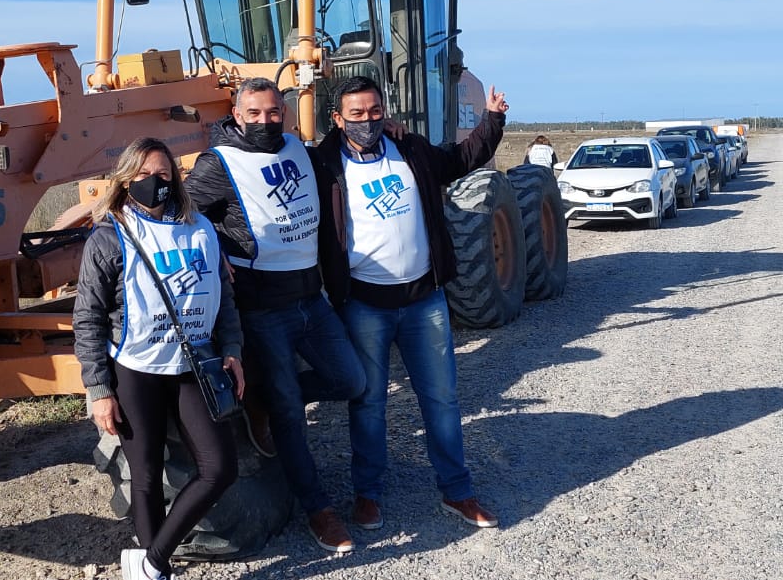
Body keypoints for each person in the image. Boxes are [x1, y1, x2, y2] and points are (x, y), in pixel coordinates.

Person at [312, 75, 509, 531]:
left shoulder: (411, 149)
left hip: (425, 301)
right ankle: (368, 495)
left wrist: (492, 120)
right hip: (364, 305)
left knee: (441, 400)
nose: (367, 121)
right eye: (356, 114)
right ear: (337, 119)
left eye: (374, 111)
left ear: (385, 110)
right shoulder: (323, 166)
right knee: (369, 403)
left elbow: (461, 159)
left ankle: (457, 493)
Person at [185, 77, 366, 554]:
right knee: (290, 411)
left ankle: (262, 400)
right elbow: (183, 209)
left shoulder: (296, 147)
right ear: (236, 113)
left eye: (273, 113)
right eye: (255, 113)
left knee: (351, 381)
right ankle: (318, 509)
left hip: (312, 299)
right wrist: (210, 246)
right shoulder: (217, 163)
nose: (265, 121)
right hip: (263, 309)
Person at [73, 137, 247, 580]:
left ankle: (150, 561)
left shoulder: (201, 228)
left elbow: (223, 296)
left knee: (220, 467)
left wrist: (232, 349)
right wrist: (99, 390)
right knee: (146, 475)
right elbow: (88, 318)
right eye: (144, 176)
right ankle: (155, 568)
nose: (155, 183)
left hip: (194, 366)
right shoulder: (108, 238)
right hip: (135, 369)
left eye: (164, 175)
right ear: (125, 180)